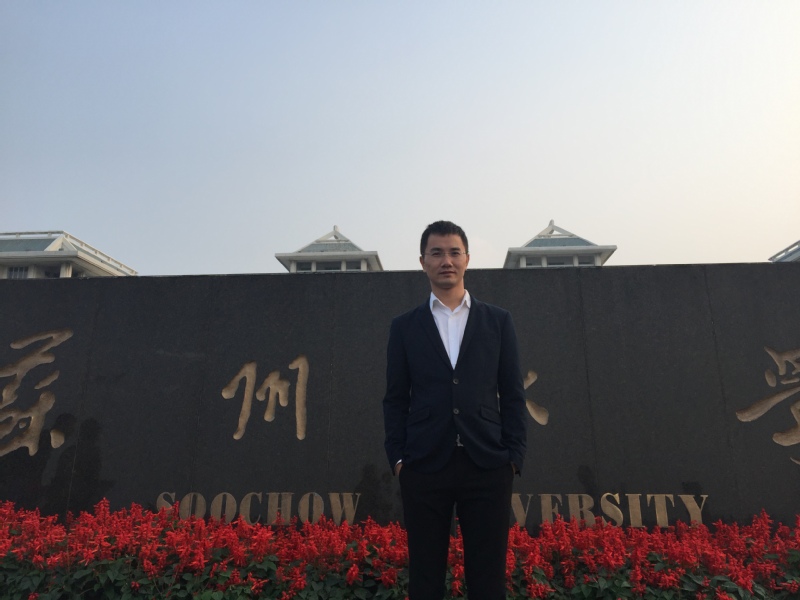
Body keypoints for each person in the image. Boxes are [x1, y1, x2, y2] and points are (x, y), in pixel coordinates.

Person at [383, 220, 527, 599]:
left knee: (488, 580)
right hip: (424, 464)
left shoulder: (497, 321)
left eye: (453, 252)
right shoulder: (404, 327)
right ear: (423, 262)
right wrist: (398, 458)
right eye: (436, 253)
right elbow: (395, 398)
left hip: (488, 464)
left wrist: (513, 457)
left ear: (467, 259)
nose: (446, 260)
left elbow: (512, 393)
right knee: (425, 579)